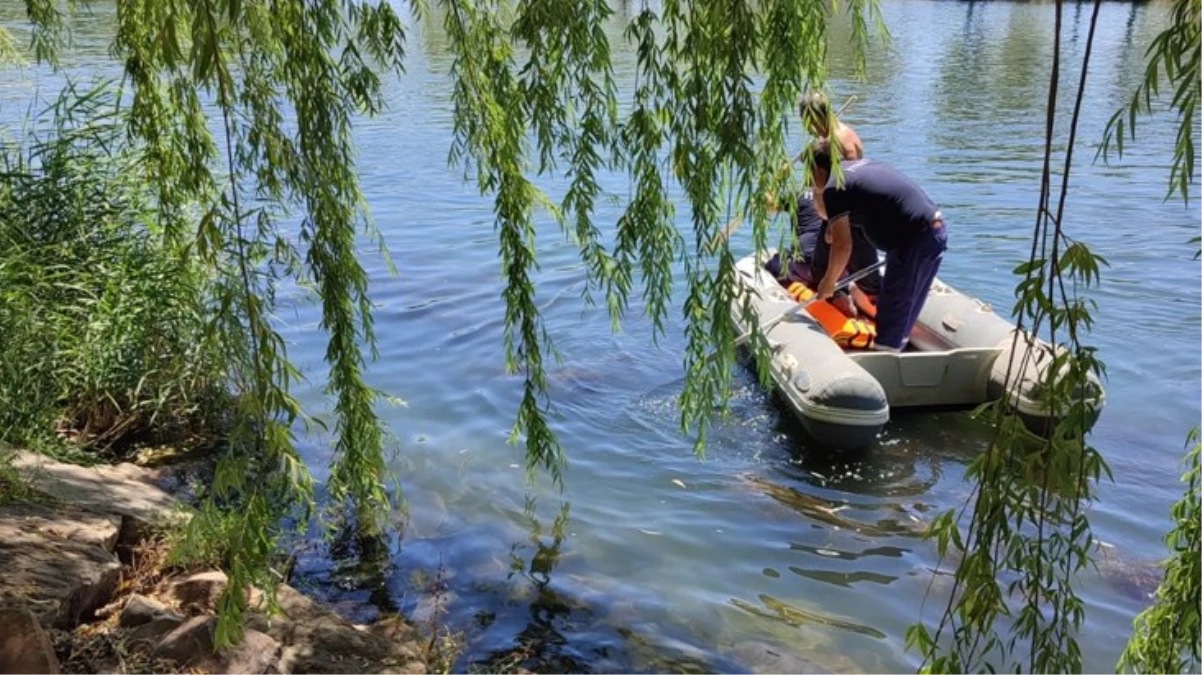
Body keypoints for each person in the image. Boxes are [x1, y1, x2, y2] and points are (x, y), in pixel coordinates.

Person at [808, 138, 948, 351]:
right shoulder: (858, 169)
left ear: (818, 169)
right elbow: (842, 222)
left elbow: (843, 246)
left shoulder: (834, 186)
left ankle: (886, 355)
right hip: (934, 231)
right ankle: (896, 347)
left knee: (893, 310)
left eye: (808, 173)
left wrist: (828, 281)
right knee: (905, 308)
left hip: (913, 240)